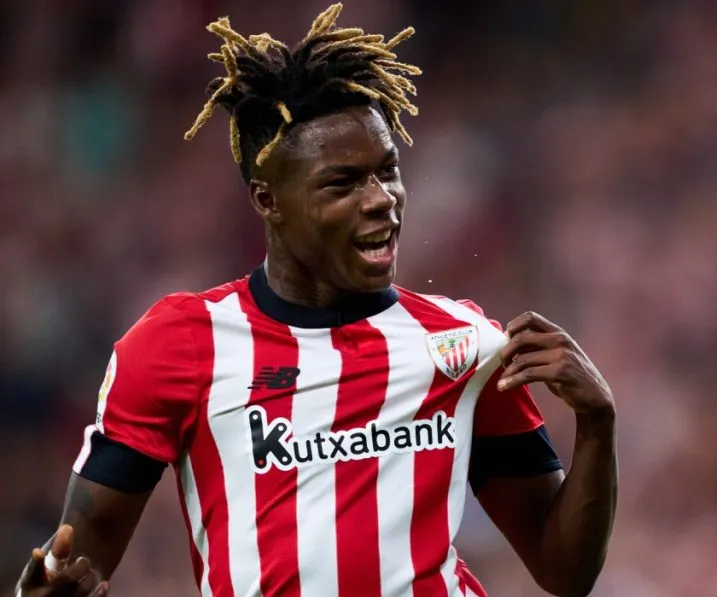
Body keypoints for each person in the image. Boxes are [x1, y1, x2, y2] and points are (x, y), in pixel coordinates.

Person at [15, 4, 618, 597]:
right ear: (267, 199)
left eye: (388, 171)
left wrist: (596, 425)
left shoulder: (463, 345)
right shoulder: (178, 345)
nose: (382, 198)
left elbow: (564, 570)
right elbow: (78, 557)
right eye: (343, 182)